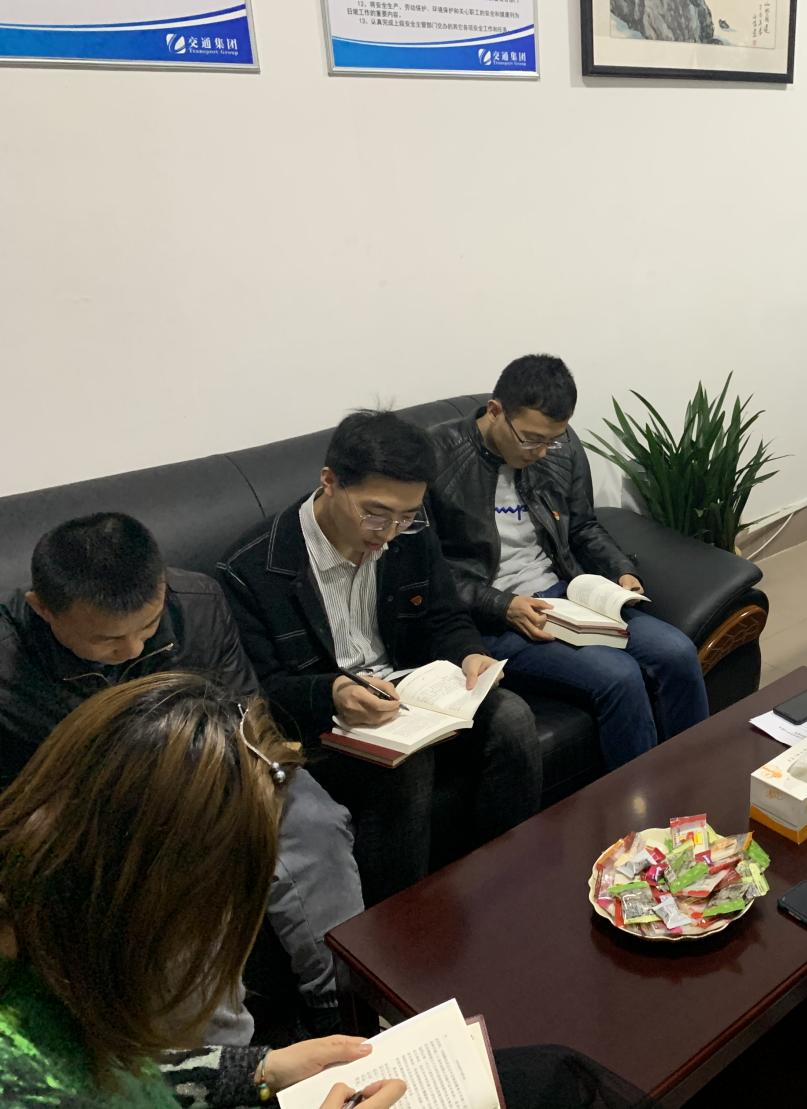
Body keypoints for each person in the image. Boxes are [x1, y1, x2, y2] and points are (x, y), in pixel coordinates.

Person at [0, 513, 363, 1041]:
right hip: (95, 812)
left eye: (147, 628)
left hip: (215, 771)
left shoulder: (197, 601)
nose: (132, 649)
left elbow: (244, 712)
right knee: (176, 880)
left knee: (313, 822)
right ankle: (224, 1059)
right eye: (106, 640)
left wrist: (242, 783)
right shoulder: (7, 660)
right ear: (42, 609)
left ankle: (340, 1002)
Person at [0, 671, 404, 1109]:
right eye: (231, 894)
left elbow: (129, 1074)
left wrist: (258, 1073)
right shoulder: (21, 1076)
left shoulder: (53, 945)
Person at [219, 410, 542, 905]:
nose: (389, 531)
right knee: (404, 768)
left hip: (407, 694)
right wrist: (333, 690)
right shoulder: (253, 569)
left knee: (513, 718)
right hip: (321, 722)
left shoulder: (410, 532)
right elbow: (259, 691)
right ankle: (398, 923)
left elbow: (445, 616)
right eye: (375, 514)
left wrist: (470, 654)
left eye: (406, 515)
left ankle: (509, 885)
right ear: (329, 482)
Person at [426, 354, 708, 769]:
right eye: (530, 440)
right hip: (494, 618)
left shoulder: (560, 444)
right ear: (495, 411)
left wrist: (621, 571)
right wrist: (500, 605)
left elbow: (582, 526)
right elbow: (426, 573)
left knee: (677, 651)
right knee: (619, 676)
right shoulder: (434, 457)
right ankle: (643, 800)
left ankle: (700, 775)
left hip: (564, 594)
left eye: (551, 440)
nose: (541, 453)